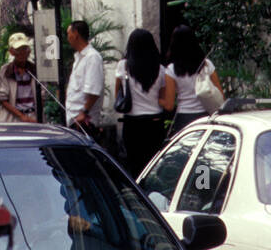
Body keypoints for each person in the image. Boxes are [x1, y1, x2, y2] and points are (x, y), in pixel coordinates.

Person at [114, 28, 171, 177]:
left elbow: (117, 93)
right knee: (153, 166)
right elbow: (163, 98)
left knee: (134, 165)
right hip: (155, 123)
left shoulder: (123, 66)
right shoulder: (161, 69)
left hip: (132, 123)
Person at [164, 24, 224, 133]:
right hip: (206, 115)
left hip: (184, 117)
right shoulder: (206, 64)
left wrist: (159, 100)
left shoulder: (171, 70)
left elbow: (170, 104)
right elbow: (220, 93)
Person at [65, 20, 104, 134]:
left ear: (76, 34)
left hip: (84, 121)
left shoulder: (92, 57)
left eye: (69, 34)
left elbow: (94, 91)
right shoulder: (79, 58)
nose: (68, 38)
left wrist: (84, 112)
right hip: (74, 119)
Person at [0, 31, 38, 123]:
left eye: (24, 49)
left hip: (33, 117)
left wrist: (34, 118)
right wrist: (22, 116)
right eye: (18, 50)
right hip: (12, 119)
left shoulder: (35, 70)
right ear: (12, 52)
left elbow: (42, 96)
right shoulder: (5, 71)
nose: (22, 53)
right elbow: (2, 99)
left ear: (29, 51)